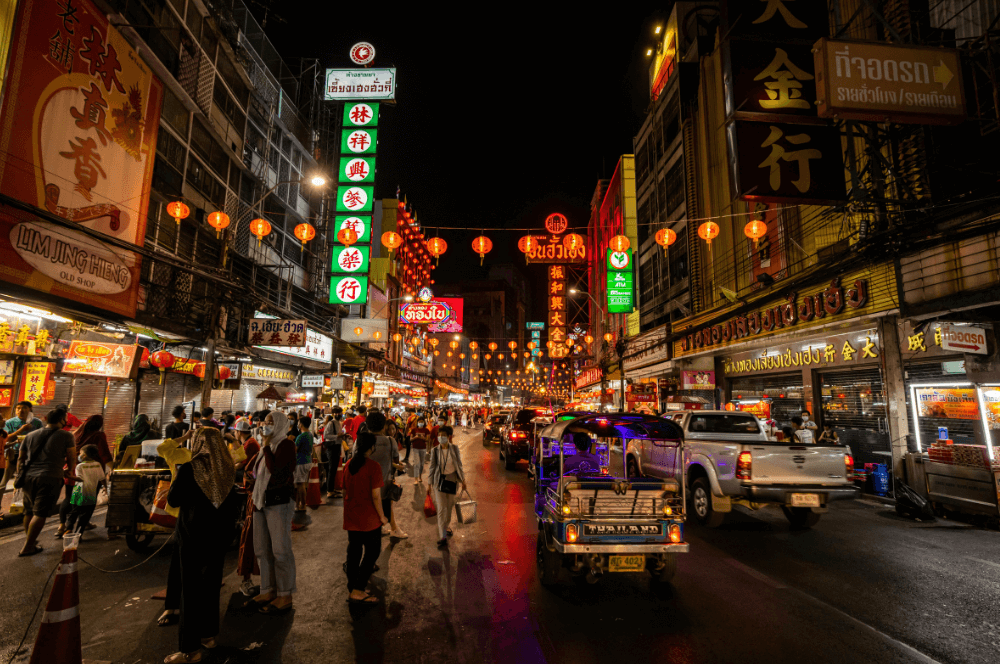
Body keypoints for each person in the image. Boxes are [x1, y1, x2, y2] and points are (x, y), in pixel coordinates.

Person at [163, 427, 237, 664]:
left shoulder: (191, 468)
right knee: (211, 586)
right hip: (219, 536)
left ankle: (190, 649)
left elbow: (173, 499)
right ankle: (208, 636)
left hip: (193, 535)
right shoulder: (227, 468)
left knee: (191, 590)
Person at [248, 411, 297, 615]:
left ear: (279, 425)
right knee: (261, 549)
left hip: (278, 502)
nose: (265, 425)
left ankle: (284, 594)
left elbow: (276, 472)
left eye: (270, 422)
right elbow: (256, 470)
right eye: (264, 422)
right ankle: (267, 589)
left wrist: (267, 446)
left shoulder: (285, 445)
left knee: (280, 550)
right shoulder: (264, 447)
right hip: (260, 502)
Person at [16, 408, 76, 557]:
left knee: (29, 511)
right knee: (40, 513)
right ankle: (28, 546)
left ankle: (31, 540)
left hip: (29, 477)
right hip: (50, 476)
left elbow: (20, 459)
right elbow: (71, 457)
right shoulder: (67, 436)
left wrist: (20, 475)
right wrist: (70, 470)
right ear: (62, 420)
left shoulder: (30, 435)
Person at [343, 432, 389, 605]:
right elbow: (376, 497)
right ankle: (358, 589)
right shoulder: (373, 466)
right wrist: (382, 517)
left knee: (354, 553)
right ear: (371, 447)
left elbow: (344, 492)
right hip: (369, 519)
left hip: (352, 517)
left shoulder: (349, 464)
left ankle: (352, 587)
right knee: (372, 552)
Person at [54, 415, 111, 536]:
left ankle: (63, 526)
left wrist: (68, 474)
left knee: (70, 499)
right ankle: (82, 525)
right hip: (90, 476)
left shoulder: (76, 433)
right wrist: (113, 471)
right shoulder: (98, 436)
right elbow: (105, 454)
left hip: (72, 469)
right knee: (89, 503)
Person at [354, 412, 406, 539]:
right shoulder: (390, 441)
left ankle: (378, 527)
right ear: (384, 426)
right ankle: (392, 528)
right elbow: (395, 460)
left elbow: (355, 458)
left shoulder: (359, 441)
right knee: (387, 506)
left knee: (369, 507)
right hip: (385, 482)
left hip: (363, 481)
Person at [428, 425, 466, 549]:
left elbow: (459, 465)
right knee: (441, 509)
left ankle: (446, 526)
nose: (440, 437)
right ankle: (442, 536)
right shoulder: (435, 450)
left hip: (452, 481)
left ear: (449, 437)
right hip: (439, 482)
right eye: (439, 435)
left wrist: (463, 480)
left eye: (443, 436)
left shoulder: (454, 449)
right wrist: (429, 484)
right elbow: (432, 468)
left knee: (449, 509)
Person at [63, 444, 106, 536]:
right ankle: (78, 534)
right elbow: (102, 478)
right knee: (85, 515)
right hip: (90, 492)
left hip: (78, 491)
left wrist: (69, 476)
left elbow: (80, 479)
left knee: (74, 511)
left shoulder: (80, 466)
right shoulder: (97, 465)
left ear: (84, 455)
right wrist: (106, 487)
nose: (79, 455)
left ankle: (69, 528)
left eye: (81, 453)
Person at [293, 416, 313, 512]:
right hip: (307, 460)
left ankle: (303, 505)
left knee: (299, 484)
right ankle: (298, 504)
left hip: (300, 461)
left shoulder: (301, 436)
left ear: (300, 424)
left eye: (298, 422)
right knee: (302, 484)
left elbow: (294, 450)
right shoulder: (310, 434)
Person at [324, 410, 344, 499]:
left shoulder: (339, 423)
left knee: (334, 469)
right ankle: (329, 491)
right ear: (333, 414)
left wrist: (343, 436)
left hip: (337, 446)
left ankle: (332, 489)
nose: (338, 414)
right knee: (332, 469)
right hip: (332, 448)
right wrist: (337, 436)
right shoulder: (330, 423)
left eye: (339, 413)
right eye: (336, 413)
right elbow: (326, 436)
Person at [409, 416, 430, 485]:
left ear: (424, 422)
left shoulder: (426, 430)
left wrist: (423, 438)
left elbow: (427, 440)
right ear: (417, 422)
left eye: (422, 422)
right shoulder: (414, 430)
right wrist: (415, 437)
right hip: (415, 448)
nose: (420, 423)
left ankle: (420, 477)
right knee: (416, 464)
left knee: (421, 464)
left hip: (423, 448)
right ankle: (416, 479)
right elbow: (410, 439)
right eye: (419, 422)